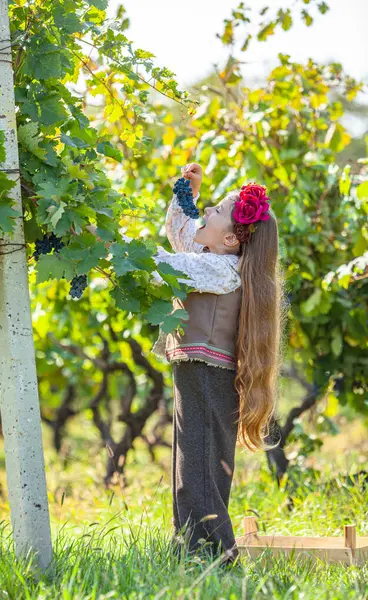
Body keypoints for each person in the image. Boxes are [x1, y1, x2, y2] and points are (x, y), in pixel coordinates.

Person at [88, 163, 285, 569]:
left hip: (208, 376)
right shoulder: (218, 260)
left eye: (215, 211)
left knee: (199, 465)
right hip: (198, 374)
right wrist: (186, 193)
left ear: (230, 238)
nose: (207, 211)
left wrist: (104, 239)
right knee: (194, 461)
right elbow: (182, 235)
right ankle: (194, 550)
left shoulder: (218, 269)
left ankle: (214, 554)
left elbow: (163, 265)